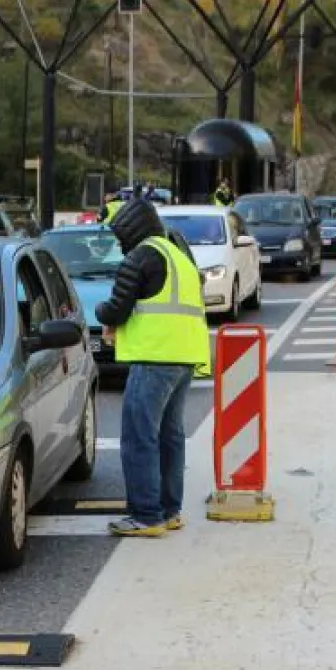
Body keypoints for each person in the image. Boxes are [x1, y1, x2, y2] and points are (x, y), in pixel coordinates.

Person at [95, 197, 212, 538]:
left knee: (138, 437)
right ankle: (169, 510)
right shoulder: (179, 255)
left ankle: (146, 515)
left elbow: (116, 309)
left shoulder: (141, 256)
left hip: (153, 359)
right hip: (185, 357)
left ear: (132, 229)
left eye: (120, 236)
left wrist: (101, 312)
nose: (119, 243)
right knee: (170, 437)